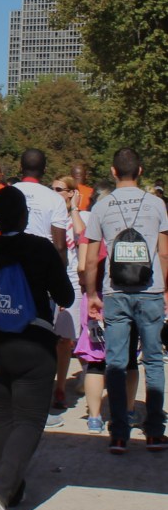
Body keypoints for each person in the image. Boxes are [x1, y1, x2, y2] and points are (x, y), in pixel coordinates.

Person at [0, 185, 73, 510]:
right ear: (25, 216)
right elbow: (66, 295)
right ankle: (0, 486)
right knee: (30, 420)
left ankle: (11, 489)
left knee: (2, 416)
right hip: (33, 343)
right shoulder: (40, 247)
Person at [84, 147, 168, 453]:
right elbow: (164, 252)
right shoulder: (157, 204)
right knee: (154, 360)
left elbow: (91, 258)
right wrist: (165, 289)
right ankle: (155, 431)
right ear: (140, 171)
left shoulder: (101, 207)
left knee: (117, 363)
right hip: (150, 291)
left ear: (113, 171)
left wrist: (92, 293)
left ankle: (119, 434)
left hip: (115, 292)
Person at [49, 175, 85, 408]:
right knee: (46, 337)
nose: (54, 193)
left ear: (71, 193)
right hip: (49, 280)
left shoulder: (81, 217)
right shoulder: (49, 213)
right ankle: (45, 384)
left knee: (65, 340)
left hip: (71, 282)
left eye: (59, 189)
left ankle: (60, 388)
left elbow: (83, 235)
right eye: (52, 189)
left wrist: (74, 210)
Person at [12, 149, 68, 261]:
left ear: (20, 167)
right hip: (41, 261)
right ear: (45, 170)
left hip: (10, 260)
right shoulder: (56, 199)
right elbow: (60, 246)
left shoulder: (5, 193)